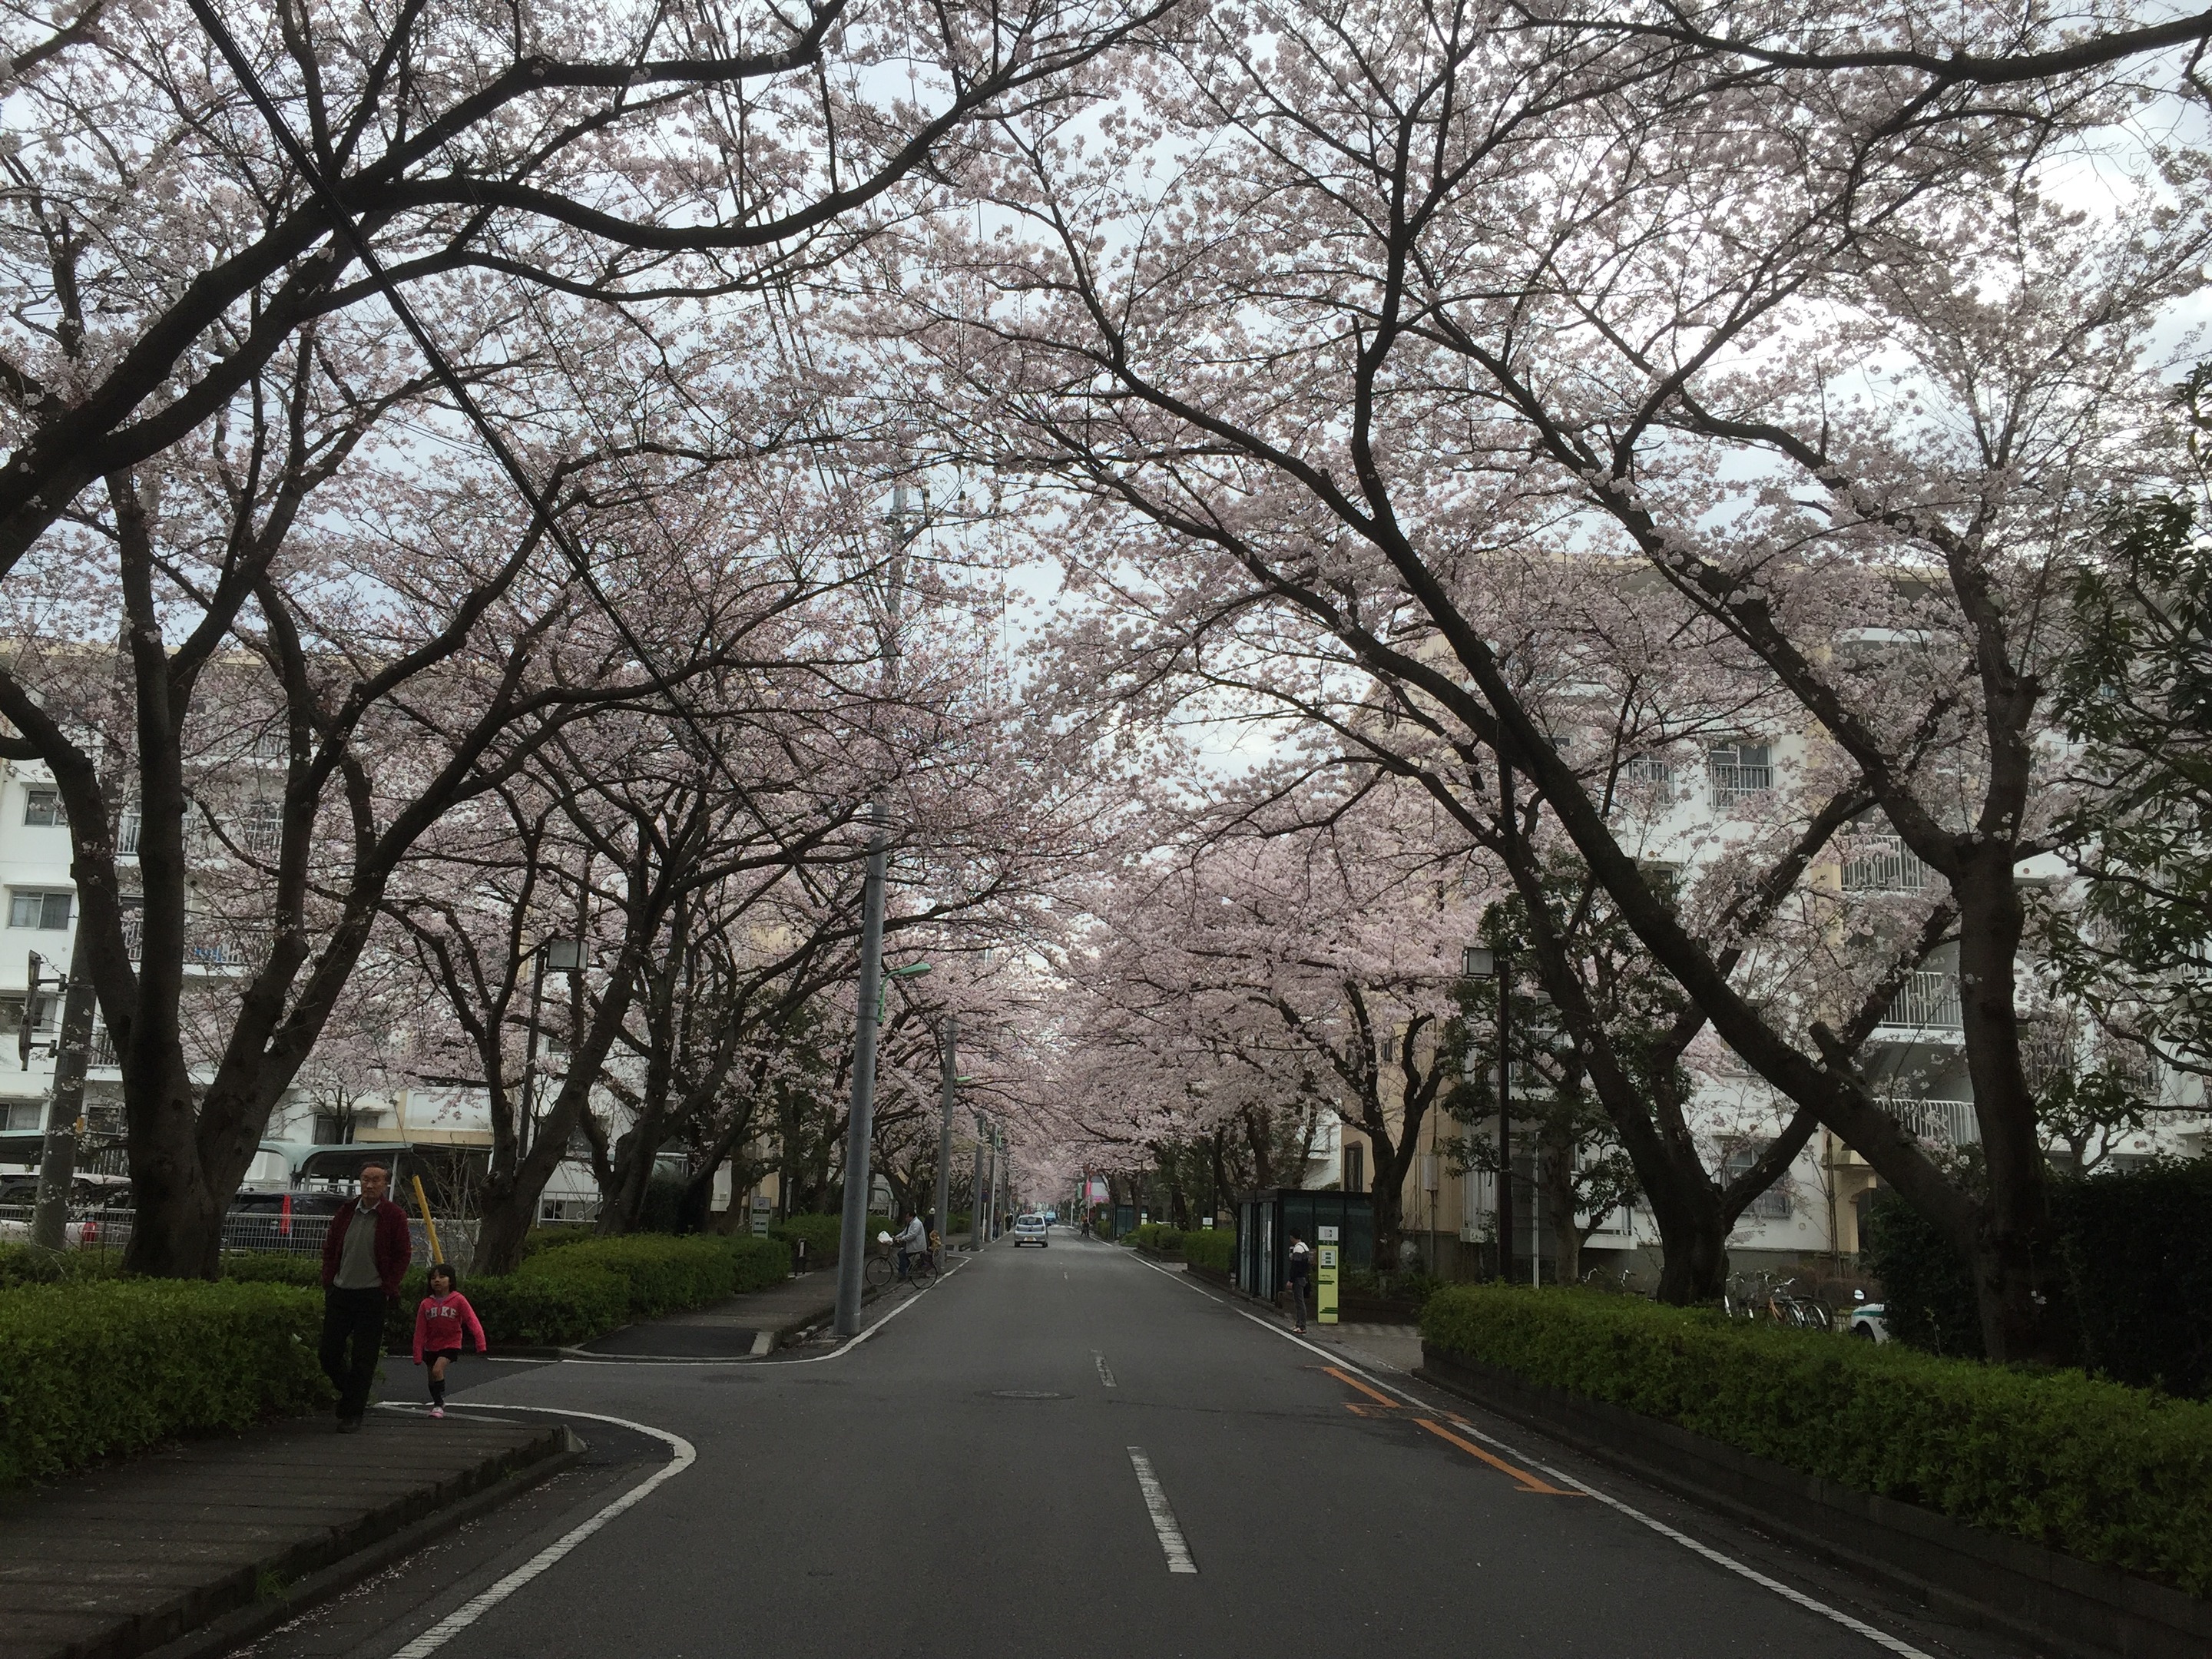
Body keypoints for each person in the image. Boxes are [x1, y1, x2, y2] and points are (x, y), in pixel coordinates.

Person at [318, 1164, 412, 1432]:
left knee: (364, 1357)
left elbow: (402, 1255)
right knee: (328, 1353)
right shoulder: (346, 1211)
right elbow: (330, 1248)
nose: (370, 1185)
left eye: (376, 1180)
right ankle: (351, 1395)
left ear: (385, 1185)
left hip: (372, 1294)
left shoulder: (393, 1216)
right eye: (365, 1180)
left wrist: (388, 1286)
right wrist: (328, 1280)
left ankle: (353, 1414)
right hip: (341, 1291)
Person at [412, 1262, 488, 1419]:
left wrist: (480, 1342)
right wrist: (417, 1354)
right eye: (433, 1278)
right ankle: (437, 1400)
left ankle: (439, 1405)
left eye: (442, 1277)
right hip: (431, 1346)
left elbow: (472, 1320)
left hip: (451, 1344)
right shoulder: (425, 1304)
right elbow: (420, 1331)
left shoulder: (458, 1300)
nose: (437, 1280)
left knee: (437, 1370)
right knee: (432, 1377)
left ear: (451, 1280)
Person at [1285, 1231, 1313, 1333]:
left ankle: (1302, 1325)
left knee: (1299, 1302)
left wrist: (1291, 1280)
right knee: (1299, 1302)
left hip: (1298, 1278)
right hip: (1303, 1277)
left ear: (1292, 1237)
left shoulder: (1297, 1249)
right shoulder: (1305, 1247)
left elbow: (1296, 1266)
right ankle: (1299, 1324)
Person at [895, 1211, 927, 1280]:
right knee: (900, 1254)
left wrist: (901, 1239)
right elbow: (904, 1232)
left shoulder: (916, 1223)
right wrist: (896, 1237)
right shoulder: (911, 1223)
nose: (906, 1218)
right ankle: (909, 1266)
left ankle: (903, 1273)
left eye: (907, 1217)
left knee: (902, 1255)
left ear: (911, 1217)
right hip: (912, 1245)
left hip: (917, 1246)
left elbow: (912, 1235)